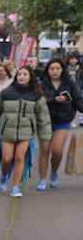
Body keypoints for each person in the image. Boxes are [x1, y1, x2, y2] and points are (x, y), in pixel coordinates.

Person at [0, 66, 50, 197]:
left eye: (25, 74)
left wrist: (44, 136)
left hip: (26, 133)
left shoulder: (37, 96)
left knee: (20, 157)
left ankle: (15, 187)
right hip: (7, 132)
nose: (22, 77)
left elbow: (43, 117)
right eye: (19, 74)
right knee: (7, 159)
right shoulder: (6, 93)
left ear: (30, 77)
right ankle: (4, 175)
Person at [37, 59, 81, 189]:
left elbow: (78, 101)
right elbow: (38, 100)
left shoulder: (70, 85)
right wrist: (54, 100)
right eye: (51, 69)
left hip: (63, 121)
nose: (54, 71)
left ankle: (54, 172)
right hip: (45, 121)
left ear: (62, 70)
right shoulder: (42, 84)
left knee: (57, 150)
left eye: (57, 68)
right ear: (48, 70)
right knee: (44, 150)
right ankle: (42, 179)